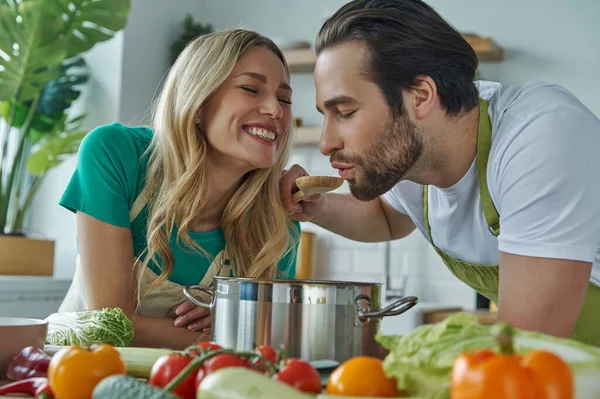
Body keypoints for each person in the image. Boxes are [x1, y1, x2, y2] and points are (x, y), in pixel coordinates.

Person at [281, 0, 600, 346]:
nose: (326, 143)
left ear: (420, 96)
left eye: (344, 112)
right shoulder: (411, 160)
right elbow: (387, 217)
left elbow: (530, 345)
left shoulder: (540, 136)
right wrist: (320, 207)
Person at [53, 29, 301, 350]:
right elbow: (109, 322)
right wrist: (234, 326)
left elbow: (275, 341)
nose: (275, 110)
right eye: (251, 89)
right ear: (199, 102)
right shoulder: (116, 154)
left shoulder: (278, 221)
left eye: (285, 98)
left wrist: (236, 321)